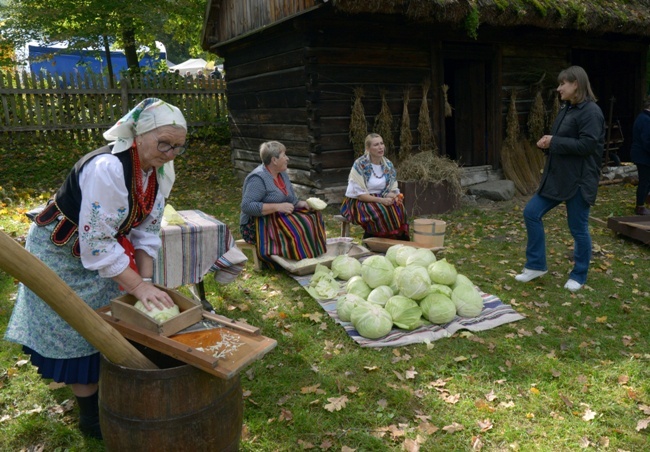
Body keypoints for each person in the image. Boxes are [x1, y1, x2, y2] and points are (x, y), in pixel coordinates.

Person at [4, 98, 187, 439]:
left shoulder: (158, 173)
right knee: (74, 325)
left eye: (178, 145)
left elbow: (146, 231)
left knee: (109, 320)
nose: (171, 152)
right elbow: (99, 243)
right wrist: (138, 287)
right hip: (59, 251)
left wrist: (145, 283)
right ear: (140, 136)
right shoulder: (108, 168)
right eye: (164, 143)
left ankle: (108, 392)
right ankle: (90, 418)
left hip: (97, 250)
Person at [515, 66, 605, 292]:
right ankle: (536, 265)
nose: (558, 88)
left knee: (578, 228)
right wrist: (548, 143)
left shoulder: (591, 112)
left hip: (579, 181)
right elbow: (563, 140)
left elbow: (587, 146)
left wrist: (554, 141)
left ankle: (579, 274)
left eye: (562, 84)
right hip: (558, 177)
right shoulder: (567, 109)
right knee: (531, 213)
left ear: (576, 84)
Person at [240, 141, 327, 266]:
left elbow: (290, 199)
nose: (287, 158)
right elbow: (247, 206)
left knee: (313, 216)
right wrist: (277, 207)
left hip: (277, 217)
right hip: (256, 224)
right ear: (274, 160)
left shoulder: (282, 174)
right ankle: (295, 258)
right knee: (298, 224)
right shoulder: (257, 178)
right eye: (284, 155)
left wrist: (301, 204)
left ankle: (310, 254)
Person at [340, 133, 409, 240]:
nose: (380, 147)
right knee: (381, 210)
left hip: (380, 197)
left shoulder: (388, 165)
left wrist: (395, 196)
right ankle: (373, 241)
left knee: (398, 207)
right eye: (376, 145)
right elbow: (360, 195)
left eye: (382, 143)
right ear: (368, 148)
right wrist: (381, 200)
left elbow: (389, 190)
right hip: (359, 201)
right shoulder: (360, 165)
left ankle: (399, 242)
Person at [630, 95, 650, 215]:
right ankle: (640, 206)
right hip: (643, 156)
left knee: (647, 180)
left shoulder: (643, 117)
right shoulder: (646, 120)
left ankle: (643, 203)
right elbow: (647, 141)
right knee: (645, 181)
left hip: (642, 155)